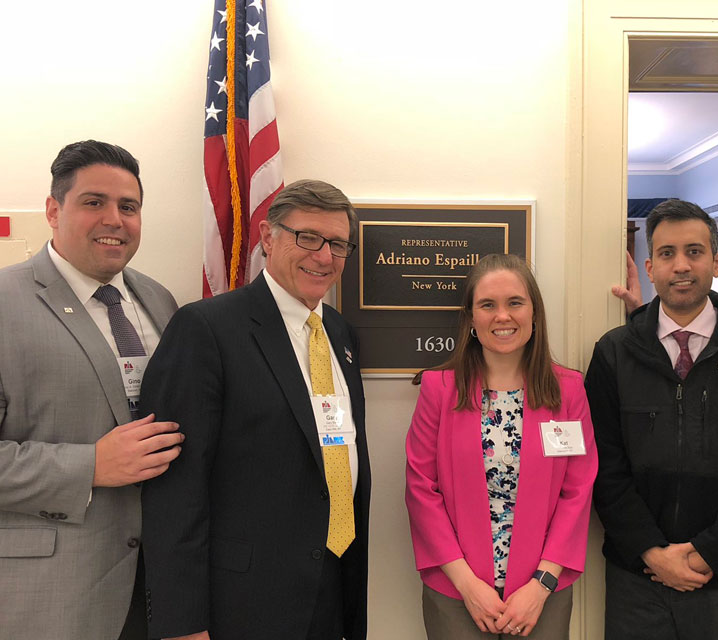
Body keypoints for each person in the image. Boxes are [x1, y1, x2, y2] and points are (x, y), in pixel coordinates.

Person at [139, 180, 370, 640]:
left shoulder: (340, 334)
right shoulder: (206, 328)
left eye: (338, 244)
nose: (324, 256)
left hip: (331, 587)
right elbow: (175, 490)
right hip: (241, 602)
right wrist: (181, 624)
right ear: (267, 237)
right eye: (307, 237)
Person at [586, 199, 718, 639]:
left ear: (716, 261)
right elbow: (604, 467)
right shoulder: (614, 353)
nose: (680, 265)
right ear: (649, 267)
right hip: (637, 579)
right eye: (666, 253)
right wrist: (651, 551)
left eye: (694, 251)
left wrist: (707, 553)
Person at [0, 140, 181, 640]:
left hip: (159, 589)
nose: (115, 219)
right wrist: (90, 467)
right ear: (53, 211)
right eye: (94, 202)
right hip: (49, 596)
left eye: (129, 207)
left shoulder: (159, 300)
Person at [405, 253, 598, 639]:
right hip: (458, 593)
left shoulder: (568, 390)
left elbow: (577, 493)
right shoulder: (439, 389)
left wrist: (541, 584)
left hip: (541, 593)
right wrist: (468, 586)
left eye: (515, 303)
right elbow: (420, 490)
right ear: (471, 319)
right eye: (487, 305)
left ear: (534, 313)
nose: (502, 316)